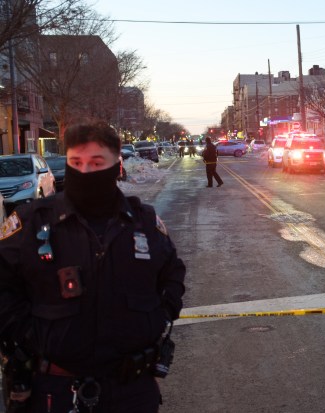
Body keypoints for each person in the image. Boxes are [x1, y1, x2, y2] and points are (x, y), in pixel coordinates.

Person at [0, 122, 186, 412]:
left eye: (96, 162)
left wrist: (157, 318)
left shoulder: (143, 222)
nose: (85, 172)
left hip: (131, 389)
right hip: (54, 391)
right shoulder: (33, 222)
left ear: (117, 165)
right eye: (77, 162)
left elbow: (172, 273)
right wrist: (28, 334)